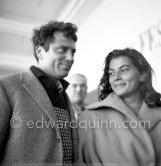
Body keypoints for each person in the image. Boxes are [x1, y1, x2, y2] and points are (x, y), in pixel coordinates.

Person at [0, 21, 79, 165]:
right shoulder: (6, 87)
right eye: (62, 50)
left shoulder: (65, 94)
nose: (71, 58)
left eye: (73, 51)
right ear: (39, 51)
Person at [77, 48, 161, 166]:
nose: (116, 77)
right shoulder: (88, 119)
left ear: (143, 75)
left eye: (124, 70)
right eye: (111, 73)